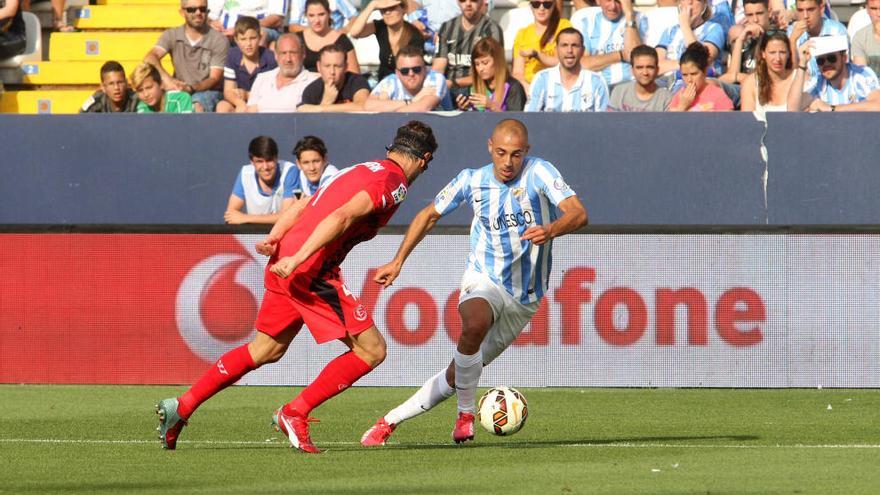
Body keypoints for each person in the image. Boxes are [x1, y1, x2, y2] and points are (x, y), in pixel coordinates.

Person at [156, 121, 439, 455]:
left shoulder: (359, 168)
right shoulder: (394, 183)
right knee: (372, 350)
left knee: (266, 350)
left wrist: (277, 236)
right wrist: (299, 258)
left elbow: (308, 203)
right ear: (424, 160)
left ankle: (182, 406)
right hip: (309, 268)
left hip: (287, 256)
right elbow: (343, 217)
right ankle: (294, 412)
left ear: (392, 147)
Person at [360, 119, 587, 447]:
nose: (508, 162)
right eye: (501, 153)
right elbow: (428, 215)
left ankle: (389, 420)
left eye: (516, 155)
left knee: (457, 375)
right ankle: (466, 413)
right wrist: (398, 261)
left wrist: (550, 229)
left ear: (527, 152)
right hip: (483, 277)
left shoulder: (541, 172)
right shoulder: (471, 180)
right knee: (475, 321)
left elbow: (578, 213)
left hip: (525, 299)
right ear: (489, 148)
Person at [144, 0, 228, 112]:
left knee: (196, 105)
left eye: (202, 9)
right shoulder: (172, 35)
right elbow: (150, 57)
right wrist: (168, 80)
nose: (198, 12)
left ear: (207, 12)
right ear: (182, 12)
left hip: (208, 91)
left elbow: (214, 79)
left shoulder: (219, 40)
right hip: (179, 89)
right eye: (191, 9)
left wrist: (190, 88)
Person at [431, 0, 503, 99]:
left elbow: (492, 71)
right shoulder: (446, 27)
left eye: (473, 0)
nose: (468, 4)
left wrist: (454, 83)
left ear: (482, 2)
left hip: (479, 88)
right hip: (448, 89)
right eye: (463, 0)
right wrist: (436, 85)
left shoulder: (492, 29)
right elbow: (438, 67)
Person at [787, 35, 880, 111]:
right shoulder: (819, 82)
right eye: (820, 61)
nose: (826, 64)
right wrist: (802, 64)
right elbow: (792, 108)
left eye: (832, 58)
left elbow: (878, 105)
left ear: (844, 58)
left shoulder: (861, 74)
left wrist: (832, 108)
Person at [525, 28, 609, 112]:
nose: (569, 50)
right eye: (564, 45)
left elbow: (604, 121)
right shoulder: (542, 79)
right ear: (556, 50)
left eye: (574, 45)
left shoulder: (597, 81)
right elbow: (529, 118)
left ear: (583, 50)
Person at [225, 136, 299, 225]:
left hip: (283, 235)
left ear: (276, 158)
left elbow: (288, 216)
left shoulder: (289, 171)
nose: (265, 167)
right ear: (252, 162)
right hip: (254, 236)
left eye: (269, 160)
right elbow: (231, 214)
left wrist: (245, 218)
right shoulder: (245, 173)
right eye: (259, 161)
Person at [578, 0, 647, 90]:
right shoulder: (587, 23)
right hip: (599, 88)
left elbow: (635, 57)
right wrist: (620, 55)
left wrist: (629, 16)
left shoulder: (640, 19)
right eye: (608, 0)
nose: (613, 6)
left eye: (618, 1)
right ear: (598, 1)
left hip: (632, 88)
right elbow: (583, 65)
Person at [349, 0, 425, 81]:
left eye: (392, 8)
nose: (388, 12)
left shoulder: (415, 35)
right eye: (383, 9)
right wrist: (372, 5)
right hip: (382, 83)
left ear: (403, 9)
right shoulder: (381, 26)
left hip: (405, 83)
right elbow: (354, 33)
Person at [216, 16, 278, 113]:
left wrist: (247, 95)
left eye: (252, 38)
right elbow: (228, 90)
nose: (248, 44)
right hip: (239, 100)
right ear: (236, 40)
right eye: (243, 39)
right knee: (222, 106)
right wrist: (240, 103)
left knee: (253, 110)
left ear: (260, 38)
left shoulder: (270, 58)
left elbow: (273, 93)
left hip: (262, 102)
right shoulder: (232, 55)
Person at [364, 45, 453, 111]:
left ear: (425, 69)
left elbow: (423, 108)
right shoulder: (390, 81)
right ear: (397, 73)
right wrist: (412, 101)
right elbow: (368, 106)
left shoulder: (435, 78)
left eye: (416, 69)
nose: (411, 74)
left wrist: (387, 109)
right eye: (405, 71)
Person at [246, 33, 319, 112]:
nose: (288, 59)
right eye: (283, 53)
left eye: (293, 53)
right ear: (276, 55)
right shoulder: (262, 79)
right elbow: (250, 113)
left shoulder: (313, 82)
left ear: (303, 54)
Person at [512, 0, 572, 92]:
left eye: (547, 4)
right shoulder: (522, 34)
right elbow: (517, 73)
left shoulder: (563, 26)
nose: (541, 8)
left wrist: (537, 55)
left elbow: (563, 62)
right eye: (536, 4)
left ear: (553, 5)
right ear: (531, 6)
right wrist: (529, 90)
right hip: (529, 88)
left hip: (557, 87)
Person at [656, 0, 726, 78]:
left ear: (704, 4)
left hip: (696, 82)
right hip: (665, 82)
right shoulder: (670, 31)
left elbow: (701, 61)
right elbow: (655, 65)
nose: (690, 2)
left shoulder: (714, 29)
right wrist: (688, 65)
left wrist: (685, 25)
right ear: (680, 3)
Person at [455, 36, 526, 111]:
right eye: (477, 64)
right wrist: (464, 109)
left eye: (485, 63)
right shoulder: (473, 89)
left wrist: (492, 106)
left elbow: (516, 121)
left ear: (497, 61)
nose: (480, 69)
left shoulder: (513, 87)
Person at [787, 0, 846, 87]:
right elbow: (790, 73)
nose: (805, 16)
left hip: (831, 87)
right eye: (800, 10)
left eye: (810, 10)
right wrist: (792, 41)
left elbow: (843, 70)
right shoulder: (791, 33)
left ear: (821, 9)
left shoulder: (837, 31)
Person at [298, 44, 371, 112]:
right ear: (318, 66)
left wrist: (321, 107)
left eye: (337, 66)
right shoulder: (311, 91)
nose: (332, 72)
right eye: (327, 66)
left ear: (346, 67)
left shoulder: (357, 81)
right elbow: (307, 119)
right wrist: (326, 101)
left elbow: (363, 106)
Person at [296, 0, 360, 73]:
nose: (317, 20)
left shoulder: (342, 41)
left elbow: (355, 75)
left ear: (329, 13)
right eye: (311, 15)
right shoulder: (297, 40)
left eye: (321, 14)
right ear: (305, 15)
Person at [719, 0, 772, 86]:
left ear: (769, 12)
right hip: (740, 92)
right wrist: (739, 41)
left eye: (759, 13)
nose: (755, 20)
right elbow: (728, 80)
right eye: (750, 15)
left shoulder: (777, 38)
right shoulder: (744, 39)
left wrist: (740, 77)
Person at [668, 42, 734, 110]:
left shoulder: (717, 95)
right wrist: (682, 106)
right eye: (685, 75)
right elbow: (669, 120)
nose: (689, 79)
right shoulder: (680, 96)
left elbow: (729, 119)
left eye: (694, 74)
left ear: (705, 71)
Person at [740, 30, 795, 112]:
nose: (778, 58)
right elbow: (747, 120)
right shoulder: (751, 83)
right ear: (763, 54)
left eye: (782, 52)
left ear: (788, 54)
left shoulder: (798, 78)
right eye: (772, 52)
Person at [608, 45, 673, 111]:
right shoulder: (619, 92)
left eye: (650, 67)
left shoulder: (666, 98)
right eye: (639, 68)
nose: (645, 72)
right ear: (632, 70)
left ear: (657, 70)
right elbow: (609, 120)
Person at [207, 0, 286, 46]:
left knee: (260, 34)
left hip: (259, 27)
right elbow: (210, 15)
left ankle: (255, 72)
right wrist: (212, 24)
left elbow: (277, 19)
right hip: (225, 30)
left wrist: (241, 29)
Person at [288, 0, 359, 32]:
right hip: (307, 41)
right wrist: (314, 32)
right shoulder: (298, 1)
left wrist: (344, 30)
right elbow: (292, 27)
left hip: (333, 42)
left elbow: (355, 17)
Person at [851, 0, 880, 76]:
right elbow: (861, 77)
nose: (879, 14)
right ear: (867, 9)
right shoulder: (860, 37)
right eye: (874, 9)